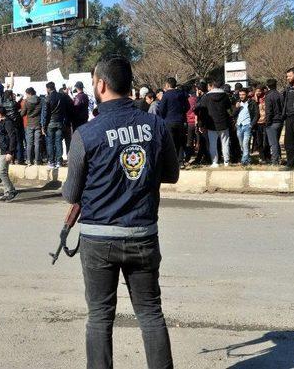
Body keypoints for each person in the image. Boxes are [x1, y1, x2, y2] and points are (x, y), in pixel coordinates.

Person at [62, 55, 178, 369]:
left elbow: (70, 193)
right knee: (151, 314)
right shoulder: (155, 124)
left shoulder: (86, 133)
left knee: (99, 317)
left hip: (98, 239)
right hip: (143, 235)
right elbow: (171, 174)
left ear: (100, 84)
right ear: (128, 85)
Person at [195, 80, 232, 167]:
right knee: (225, 143)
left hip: (211, 124)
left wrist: (201, 124)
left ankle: (215, 162)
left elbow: (202, 112)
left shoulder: (206, 97)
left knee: (213, 144)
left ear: (211, 86)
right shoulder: (225, 95)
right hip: (224, 123)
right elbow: (228, 107)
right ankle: (226, 161)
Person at [158, 77, 189, 165]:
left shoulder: (166, 95)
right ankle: (180, 161)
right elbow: (187, 107)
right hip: (180, 120)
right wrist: (182, 113)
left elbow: (161, 110)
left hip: (169, 121)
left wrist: (163, 117)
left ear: (167, 85)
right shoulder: (182, 94)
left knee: (171, 142)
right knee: (180, 141)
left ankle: (172, 162)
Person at [0, 107, 18, 202]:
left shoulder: (8, 122)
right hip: (1, 150)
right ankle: (6, 192)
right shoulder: (1, 122)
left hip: (6, 151)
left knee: (1, 172)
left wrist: (10, 152)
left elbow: (12, 137)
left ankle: (11, 190)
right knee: (4, 172)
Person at [233, 88, 258, 166]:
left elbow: (257, 114)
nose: (241, 96)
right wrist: (236, 108)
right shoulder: (238, 103)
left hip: (247, 126)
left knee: (245, 144)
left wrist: (252, 124)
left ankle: (244, 161)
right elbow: (233, 114)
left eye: (243, 94)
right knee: (241, 145)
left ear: (247, 94)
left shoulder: (252, 103)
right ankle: (248, 159)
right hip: (239, 126)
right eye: (240, 95)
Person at [44, 82, 66, 169]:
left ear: (48, 88)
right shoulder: (61, 96)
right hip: (60, 122)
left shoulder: (48, 98)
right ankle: (59, 162)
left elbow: (46, 114)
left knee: (50, 143)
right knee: (58, 142)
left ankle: (51, 162)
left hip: (50, 123)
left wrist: (44, 126)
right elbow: (65, 110)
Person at [21, 87, 43, 166]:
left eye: (26, 94)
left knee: (29, 143)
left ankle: (29, 160)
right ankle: (37, 160)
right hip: (38, 123)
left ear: (29, 93)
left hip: (29, 124)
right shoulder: (40, 100)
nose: (26, 96)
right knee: (37, 143)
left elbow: (23, 113)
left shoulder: (27, 102)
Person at [264, 78, 283, 166]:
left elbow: (269, 111)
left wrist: (267, 122)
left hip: (272, 122)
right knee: (276, 141)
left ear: (267, 86)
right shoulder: (280, 95)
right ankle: (279, 158)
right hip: (280, 121)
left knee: (273, 143)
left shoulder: (268, 96)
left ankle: (275, 161)